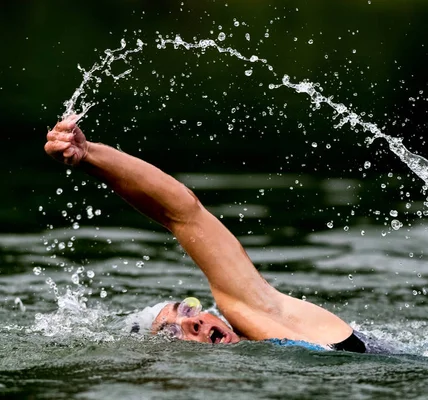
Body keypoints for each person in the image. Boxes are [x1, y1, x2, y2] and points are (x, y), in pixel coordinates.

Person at [44, 115, 385, 354]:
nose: (191, 325)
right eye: (171, 334)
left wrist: (90, 155)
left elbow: (183, 214)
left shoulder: (258, 314)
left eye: (187, 310)